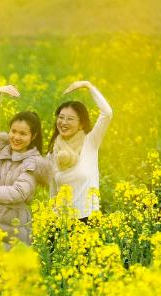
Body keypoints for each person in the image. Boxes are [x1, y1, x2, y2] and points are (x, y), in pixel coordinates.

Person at [0, 85, 47, 246]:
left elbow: (19, 192)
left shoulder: (34, 162)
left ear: (33, 136)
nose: (16, 137)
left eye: (23, 134)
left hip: (12, 229)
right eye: (13, 131)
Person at [45, 81, 112, 221]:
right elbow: (53, 191)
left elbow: (107, 113)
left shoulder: (91, 142)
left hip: (88, 218)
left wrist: (88, 86)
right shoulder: (53, 152)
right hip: (62, 221)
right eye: (61, 117)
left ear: (81, 123)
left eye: (70, 119)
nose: (63, 122)